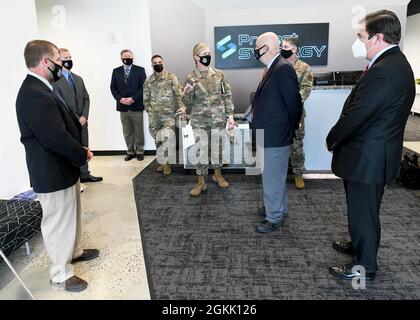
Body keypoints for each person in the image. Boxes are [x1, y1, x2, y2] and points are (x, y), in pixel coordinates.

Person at [326, 10, 415, 281]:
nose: (358, 42)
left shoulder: (385, 71)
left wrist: (333, 138)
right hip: (371, 155)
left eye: (361, 36)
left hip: (368, 158)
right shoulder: (391, 64)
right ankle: (358, 245)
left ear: (378, 37)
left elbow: (357, 116)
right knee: (361, 209)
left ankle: (364, 266)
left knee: (364, 212)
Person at [16, 40, 100, 292]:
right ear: (45, 61)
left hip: (63, 168)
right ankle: (60, 274)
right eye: (57, 61)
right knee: (57, 222)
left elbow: (63, 128)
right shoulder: (33, 93)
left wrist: (78, 153)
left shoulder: (43, 88)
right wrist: (81, 154)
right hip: (52, 170)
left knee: (70, 216)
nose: (61, 66)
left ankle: (73, 252)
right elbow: (55, 137)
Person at [251, 32, 303, 233]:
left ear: (268, 47)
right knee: (274, 176)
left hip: (276, 135)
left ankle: (274, 218)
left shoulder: (282, 68)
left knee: (272, 178)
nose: (255, 51)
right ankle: (278, 209)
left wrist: (288, 129)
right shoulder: (272, 68)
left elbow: (294, 104)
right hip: (270, 133)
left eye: (257, 46)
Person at [183, 42, 235, 197]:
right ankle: (201, 182)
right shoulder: (190, 78)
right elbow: (187, 103)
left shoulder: (219, 74)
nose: (207, 56)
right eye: (204, 53)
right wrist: (187, 93)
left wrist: (230, 115)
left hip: (218, 119)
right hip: (200, 121)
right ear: (196, 57)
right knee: (201, 151)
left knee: (218, 148)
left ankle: (217, 175)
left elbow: (227, 95)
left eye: (208, 53)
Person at [53, 48, 103, 183]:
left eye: (70, 57)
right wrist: (76, 118)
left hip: (83, 122)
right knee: (72, 148)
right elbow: (60, 103)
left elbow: (86, 98)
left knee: (84, 146)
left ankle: (85, 174)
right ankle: (75, 177)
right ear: (58, 60)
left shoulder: (78, 79)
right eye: (65, 58)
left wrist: (84, 116)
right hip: (69, 123)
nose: (68, 60)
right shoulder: (55, 81)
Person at [143, 55, 186, 175]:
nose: (157, 64)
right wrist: (148, 109)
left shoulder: (171, 77)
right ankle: (163, 161)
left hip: (168, 115)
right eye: (155, 63)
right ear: (152, 65)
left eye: (159, 62)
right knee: (158, 140)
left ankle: (167, 164)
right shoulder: (149, 80)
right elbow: (145, 97)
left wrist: (182, 107)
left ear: (163, 63)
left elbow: (179, 94)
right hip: (154, 116)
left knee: (167, 138)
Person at [281, 37, 313, 190]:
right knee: (279, 144)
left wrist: (292, 101)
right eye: (282, 46)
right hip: (279, 113)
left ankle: (298, 174)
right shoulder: (277, 65)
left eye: (285, 46)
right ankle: (280, 174)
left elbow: (306, 89)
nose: (282, 48)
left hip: (295, 113)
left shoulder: (304, 67)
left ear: (294, 49)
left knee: (296, 145)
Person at [110, 49, 147, 161]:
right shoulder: (116, 71)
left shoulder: (140, 70)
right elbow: (113, 87)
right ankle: (130, 151)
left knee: (138, 130)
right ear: (121, 58)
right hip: (123, 107)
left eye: (129, 56)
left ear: (132, 57)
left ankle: (140, 151)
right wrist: (120, 99)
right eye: (125, 56)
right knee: (127, 131)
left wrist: (133, 98)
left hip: (136, 105)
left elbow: (143, 87)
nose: (127, 57)